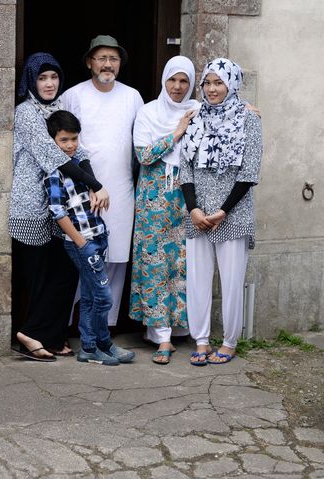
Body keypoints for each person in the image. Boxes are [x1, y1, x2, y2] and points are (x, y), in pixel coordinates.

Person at [10, 52, 108, 361]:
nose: (49, 83)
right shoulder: (25, 113)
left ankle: (50, 336)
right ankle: (30, 335)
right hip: (31, 208)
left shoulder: (60, 108)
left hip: (61, 206)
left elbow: (80, 149)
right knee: (40, 277)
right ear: (31, 80)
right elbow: (53, 156)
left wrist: (93, 183)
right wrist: (96, 185)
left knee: (64, 272)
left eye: (53, 77)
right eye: (42, 77)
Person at [179, 58, 262, 366]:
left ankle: (228, 341)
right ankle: (200, 339)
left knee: (231, 280)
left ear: (232, 84)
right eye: (208, 83)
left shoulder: (248, 118)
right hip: (198, 215)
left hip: (234, 214)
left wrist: (223, 211)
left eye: (219, 83)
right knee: (197, 280)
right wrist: (194, 210)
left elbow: (250, 171)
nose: (212, 89)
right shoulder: (195, 116)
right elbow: (185, 167)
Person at [62, 35, 144, 328]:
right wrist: (86, 183)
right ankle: (74, 325)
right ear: (89, 62)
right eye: (102, 58)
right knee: (83, 253)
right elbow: (61, 138)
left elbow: (151, 130)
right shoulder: (73, 95)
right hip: (82, 188)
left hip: (120, 188)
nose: (108, 64)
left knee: (116, 257)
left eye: (114, 58)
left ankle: (105, 326)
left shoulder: (132, 96)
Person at [44, 110, 135, 366]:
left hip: (98, 237)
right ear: (52, 141)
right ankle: (99, 344)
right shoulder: (55, 173)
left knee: (89, 295)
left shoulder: (80, 166)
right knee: (103, 296)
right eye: (64, 140)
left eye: (74, 139)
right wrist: (81, 242)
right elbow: (57, 212)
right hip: (81, 243)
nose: (70, 145)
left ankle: (91, 347)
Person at [129, 56, 198, 364]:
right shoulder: (148, 112)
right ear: (164, 80)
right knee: (154, 264)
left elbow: (226, 108)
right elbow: (143, 155)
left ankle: (178, 331)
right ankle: (162, 338)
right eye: (173, 80)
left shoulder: (198, 110)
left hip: (185, 198)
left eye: (184, 81)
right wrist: (177, 133)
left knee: (180, 264)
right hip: (153, 202)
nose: (178, 87)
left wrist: (249, 108)